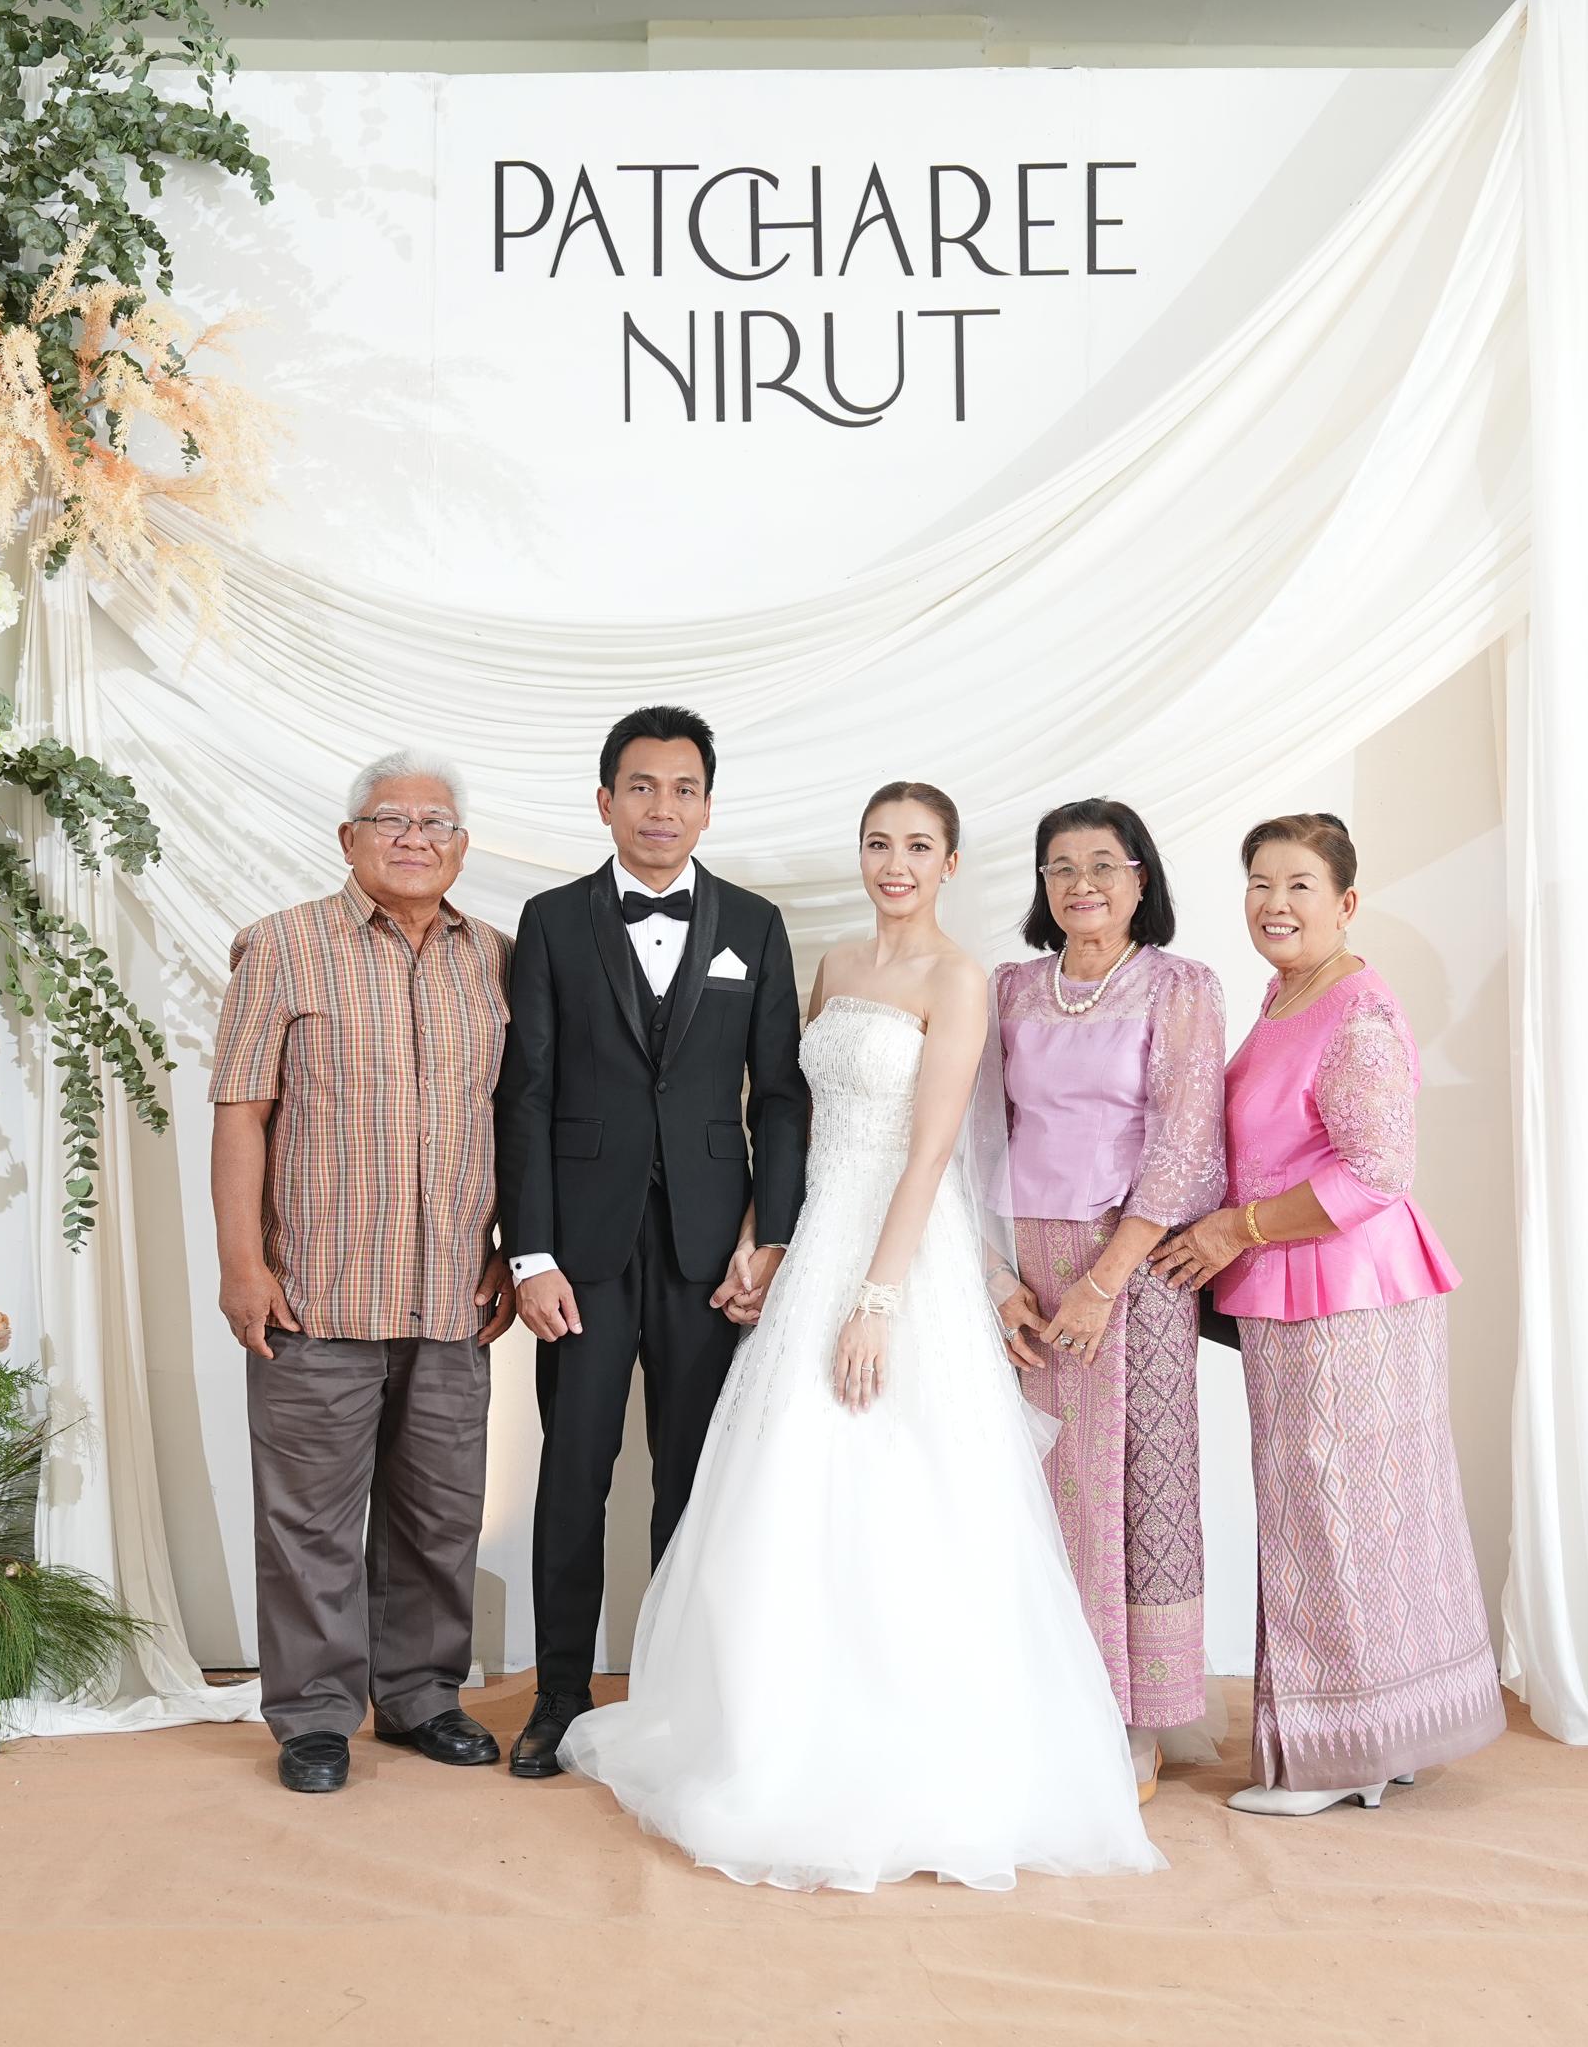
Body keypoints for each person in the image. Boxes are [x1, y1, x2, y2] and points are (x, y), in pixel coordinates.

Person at [560, 784, 1162, 1890]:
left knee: (897, 1471)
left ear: (950, 863)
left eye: (919, 846)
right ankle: (771, 1729)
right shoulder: (835, 964)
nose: (896, 863)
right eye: (879, 843)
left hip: (901, 1247)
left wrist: (879, 1301)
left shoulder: (958, 978)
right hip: (819, 1234)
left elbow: (930, 1152)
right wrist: (765, 1236)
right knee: (783, 1477)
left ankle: (905, 1740)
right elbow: (790, 1117)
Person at [1150, 813, 1502, 1817]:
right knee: (1354, 1508)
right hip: (1315, 1288)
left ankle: (1337, 1754)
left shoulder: (1356, 1012)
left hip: (1342, 1293)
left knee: (1332, 1509)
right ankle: (1383, 1735)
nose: (1275, 903)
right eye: (1260, 882)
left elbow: (1379, 1172)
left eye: (1299, 885)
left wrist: (1237, 1227)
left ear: (1345, 902)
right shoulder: (1287, 992)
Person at [495, 706, 809, 1779]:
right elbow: (525, 1096)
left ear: (708, 807)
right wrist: (530, 1253)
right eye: (641, 786)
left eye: (683, 789)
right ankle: (559, 1696)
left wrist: (772, 1238)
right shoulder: (550, 921)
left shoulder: (756, 925)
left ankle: (677, 1699)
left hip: (712, 1252)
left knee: (693, 1481)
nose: (661, 807)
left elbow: (781, 1097)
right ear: (605, 801)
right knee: (572, 1475)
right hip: (580, 1252)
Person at [208, 752, 519, 1795]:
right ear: (350, 838)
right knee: (309, 1522)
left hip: (453, 1292)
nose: (415, 838)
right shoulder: (282, 945)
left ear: (463, 846)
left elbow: (520, 1118)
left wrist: (515, 1249)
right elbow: (242, 1111)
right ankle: (313, 1716)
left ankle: (424, 1696)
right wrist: (242, 1264)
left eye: (437, 822)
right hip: (315, 1289)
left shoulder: (498, 959)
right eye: (392, 819)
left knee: (441, 1515)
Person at [988, 797, 1226, 1800]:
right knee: (1036, 1479)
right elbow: (973, 1136)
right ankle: (1045, 1698)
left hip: (1136, 1262)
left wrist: (1101, 1282)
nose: (1081, 883)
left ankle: (1136, 1718)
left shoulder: (1180, 985)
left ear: (1140, 878)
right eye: (1061, 866)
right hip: (1024, 1264)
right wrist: (995, 1277)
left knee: (1140, 1478)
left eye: (1102, 864)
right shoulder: (1009, 988)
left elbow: (1185, 1138)